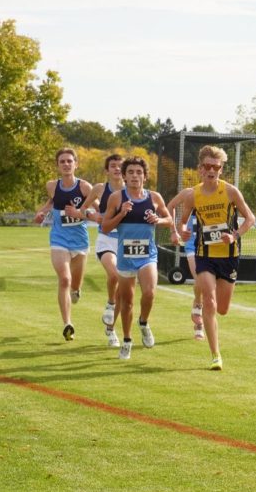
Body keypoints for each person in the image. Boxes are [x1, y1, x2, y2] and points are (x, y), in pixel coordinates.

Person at [167, 145, 256, 370]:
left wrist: (234, 235)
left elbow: (250, 218)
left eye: (215, 167)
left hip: (228, 256)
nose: (211, 170)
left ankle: (208, 314)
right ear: (200, 169)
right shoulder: (193, 195)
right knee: (209, 299)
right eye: (207, 166)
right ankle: (215, 354)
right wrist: (182, 231)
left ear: (220, 169)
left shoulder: (230, 192)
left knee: (223, 308)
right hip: (204, 254)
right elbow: (183, 220)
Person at [99, 156, 171, 361]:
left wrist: (159, 219)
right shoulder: (116, 198)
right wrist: (121, 214)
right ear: (124, 176)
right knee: (127, 302)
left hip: (147, 254)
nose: (134, 176)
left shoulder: (154, 197)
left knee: (149, 292)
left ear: (145, 176)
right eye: (130, 172)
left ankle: (144, 322)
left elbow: (168, 220)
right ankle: (127, 340)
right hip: (125, 256)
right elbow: (105, 227)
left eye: (139, 172)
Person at [33, 148, 92, 341]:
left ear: (76, 164)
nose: (66, 164)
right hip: (59, 239)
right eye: (62, 162)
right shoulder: (52, 185)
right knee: (64, 279)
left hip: (80, 242)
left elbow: (97, 211)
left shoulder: (85, 188)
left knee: (74, 285)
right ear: (58, 166)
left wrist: (81, 213)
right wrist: (42, 213)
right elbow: (52, 202)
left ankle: (76, 291)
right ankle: (67, 323)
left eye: (69, 161)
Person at [72, 154, 124, 347]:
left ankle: (111, 330)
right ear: (107, 170)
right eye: (113, 166)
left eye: (120, 166)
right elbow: (82, 210)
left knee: (125, 294)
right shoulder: (100, 189)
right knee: (114, 276)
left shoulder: (131, 191)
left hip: (125, 242)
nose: (117, 169)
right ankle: (110, 303)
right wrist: (94, 217)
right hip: (106, 240)